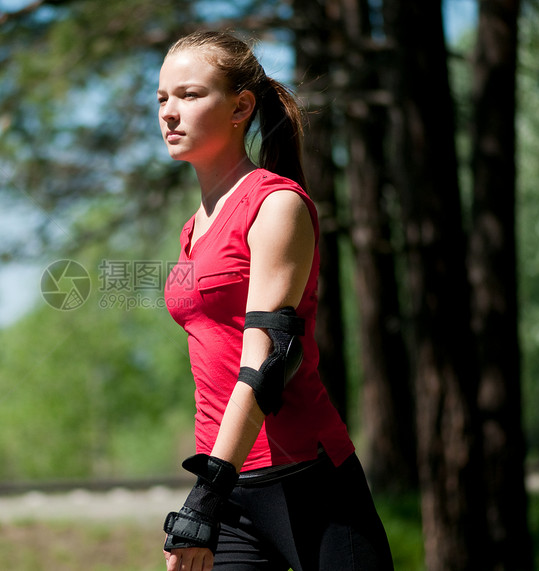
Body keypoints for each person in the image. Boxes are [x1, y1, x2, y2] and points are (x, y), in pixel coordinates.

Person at [158, 30, 394, 570]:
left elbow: (269, 360)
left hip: (309, 480)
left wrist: (204, 497)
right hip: (233, 485)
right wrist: (216, 489)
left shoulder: (276, 204)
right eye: (162, 99)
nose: (170, 113)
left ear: (241, 106)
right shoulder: (192, 230)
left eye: (190, 95)